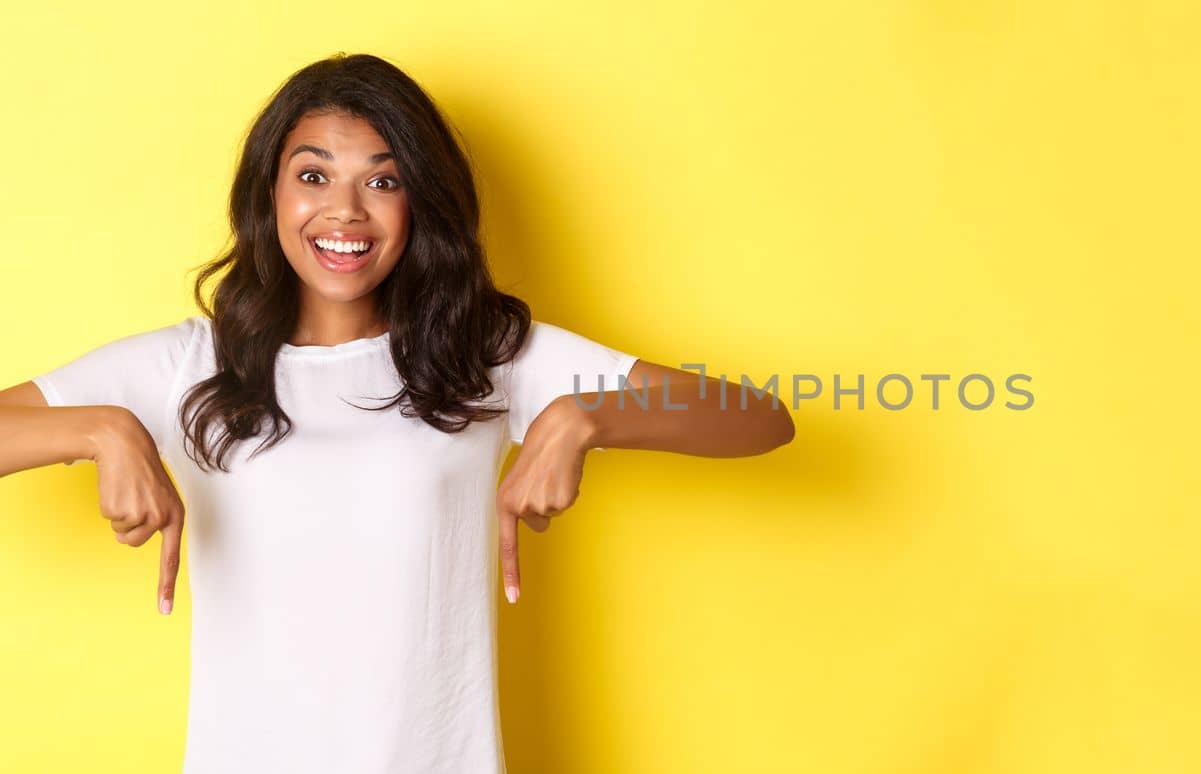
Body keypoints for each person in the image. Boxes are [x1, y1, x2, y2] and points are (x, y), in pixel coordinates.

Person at [0, 52, 794, 774]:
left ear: (420, 201)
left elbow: (759, 418)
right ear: (268, 192)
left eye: (382, 181)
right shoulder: (185, 364)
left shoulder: (484, 351)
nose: (345, 213)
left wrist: (587, 415)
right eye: (313, 176)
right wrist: (102, 429)